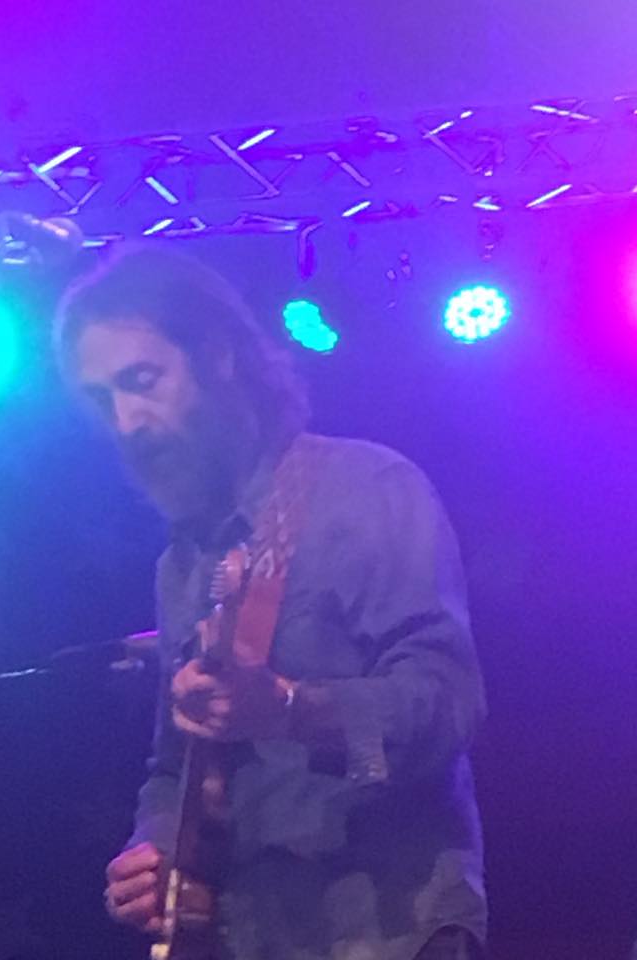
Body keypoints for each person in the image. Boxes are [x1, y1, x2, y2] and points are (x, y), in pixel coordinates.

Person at [55, 247, 488, 960]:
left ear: (219, 356)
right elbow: (176, 764)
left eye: (142, 381)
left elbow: (448, 704)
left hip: (391, 928)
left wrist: (291, 709)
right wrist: (153, 853)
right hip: (249, 936)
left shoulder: (364, 489)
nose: (127, 423)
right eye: (103, 400)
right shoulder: (181, 564)